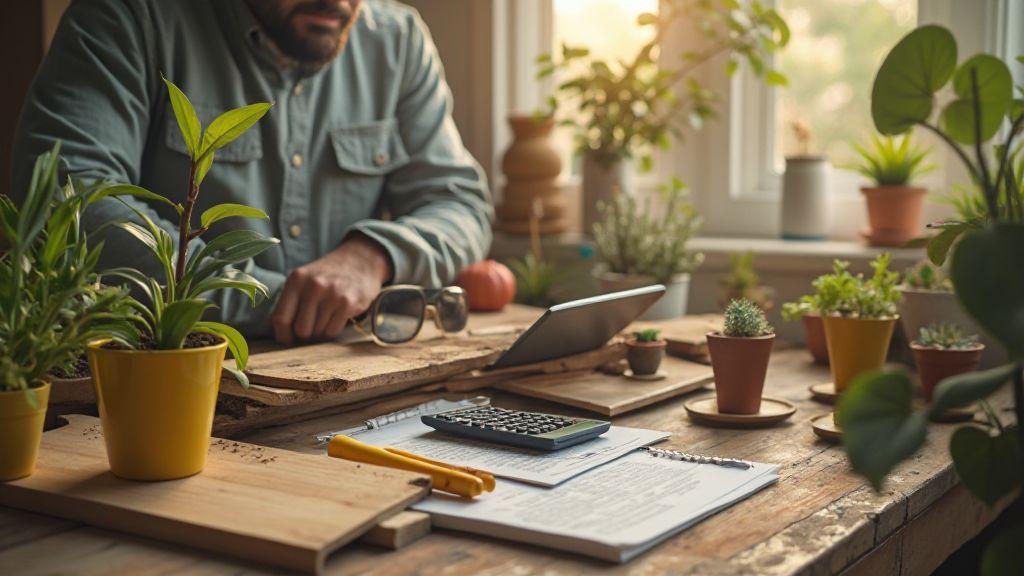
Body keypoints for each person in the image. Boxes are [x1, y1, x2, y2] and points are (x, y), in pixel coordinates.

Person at [11, 0, 492, 344]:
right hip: (151, 379)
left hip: (346, 378)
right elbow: (71, 202)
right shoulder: (123, 18)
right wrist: (271, 301)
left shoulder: (399, 42)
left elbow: (459, 202)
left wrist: (373, 254)